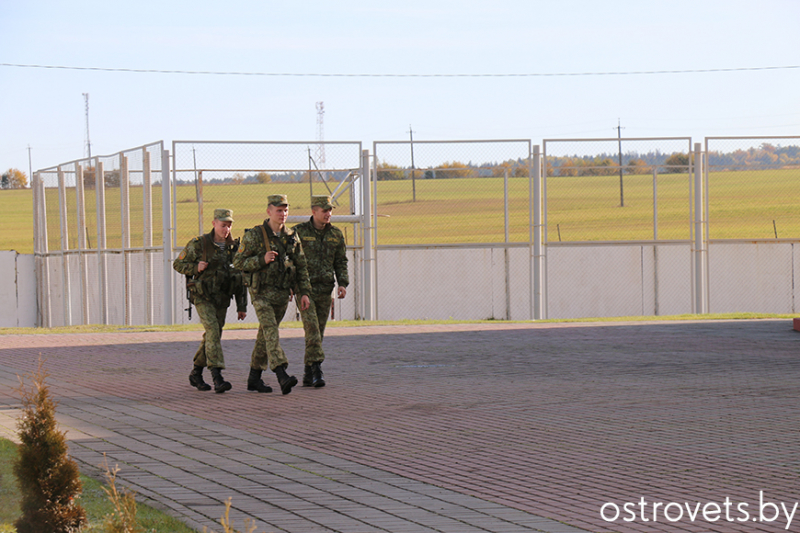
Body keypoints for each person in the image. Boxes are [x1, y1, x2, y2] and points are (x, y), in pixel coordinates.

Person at [232, 194, 314, 395]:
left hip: (281, 294)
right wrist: (261, 259)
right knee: (271, 331)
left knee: (265, 336)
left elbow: (301, 266)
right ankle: (281, 373)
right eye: (279, 210)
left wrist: (304, 293)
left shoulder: (292, 236)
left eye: (285, 210)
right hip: (260, 293)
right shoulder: (255, 235)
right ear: (269, 211)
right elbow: (238, 262)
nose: (283, 214)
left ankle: (254, 378)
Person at [173, 208, 249, 394]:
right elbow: (178, 264)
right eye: (223, 225)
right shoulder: (199, 244)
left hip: (222, 298)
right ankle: (217, 376)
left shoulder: (235, 248)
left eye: (229, 225)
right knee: (213, 330)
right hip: (202, 296)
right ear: (214, 223)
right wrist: (195, 266)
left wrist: (241, 306)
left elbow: (240, 278)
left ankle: (196, 373)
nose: (227, 229)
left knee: (212, 336)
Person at [292, 195, 349, 388]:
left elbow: (340, 261)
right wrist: (293, 286)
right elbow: (291, 261)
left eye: (330, 210)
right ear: (313, 211)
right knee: (313, 329)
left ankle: (308, 372)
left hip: (325, 288)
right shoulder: (299, 232)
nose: (328, 214)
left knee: (319, 332)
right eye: (324, 210)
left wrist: (342, 283)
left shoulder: (336, 234)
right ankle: (317, 370)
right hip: (305, 289)